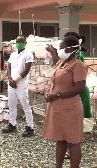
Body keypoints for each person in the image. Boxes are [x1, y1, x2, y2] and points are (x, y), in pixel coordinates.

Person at [43, 36, 87, 168]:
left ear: (69, 49)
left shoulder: (77, 65)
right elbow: (57, 64)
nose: (60, 49)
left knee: (73, 141)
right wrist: (53, 52)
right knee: (60, 139)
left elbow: (79, 87)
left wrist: (57, 94)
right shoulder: (62, 63)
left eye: (61, 47)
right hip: (58, 108)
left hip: (70, 109)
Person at [2, 35, 34, 137]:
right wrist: (10, 79)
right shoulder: (13, 54)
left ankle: (30, 127)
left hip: (21, 83)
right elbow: (9, 67)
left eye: (21, 42)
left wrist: (15, 80)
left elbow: (26, 70)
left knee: (25, 105)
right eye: (17, 42)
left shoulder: (28, 54)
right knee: (11, 104)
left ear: (25, 43)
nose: (19, 43)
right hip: (11, 83)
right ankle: (12, 124)